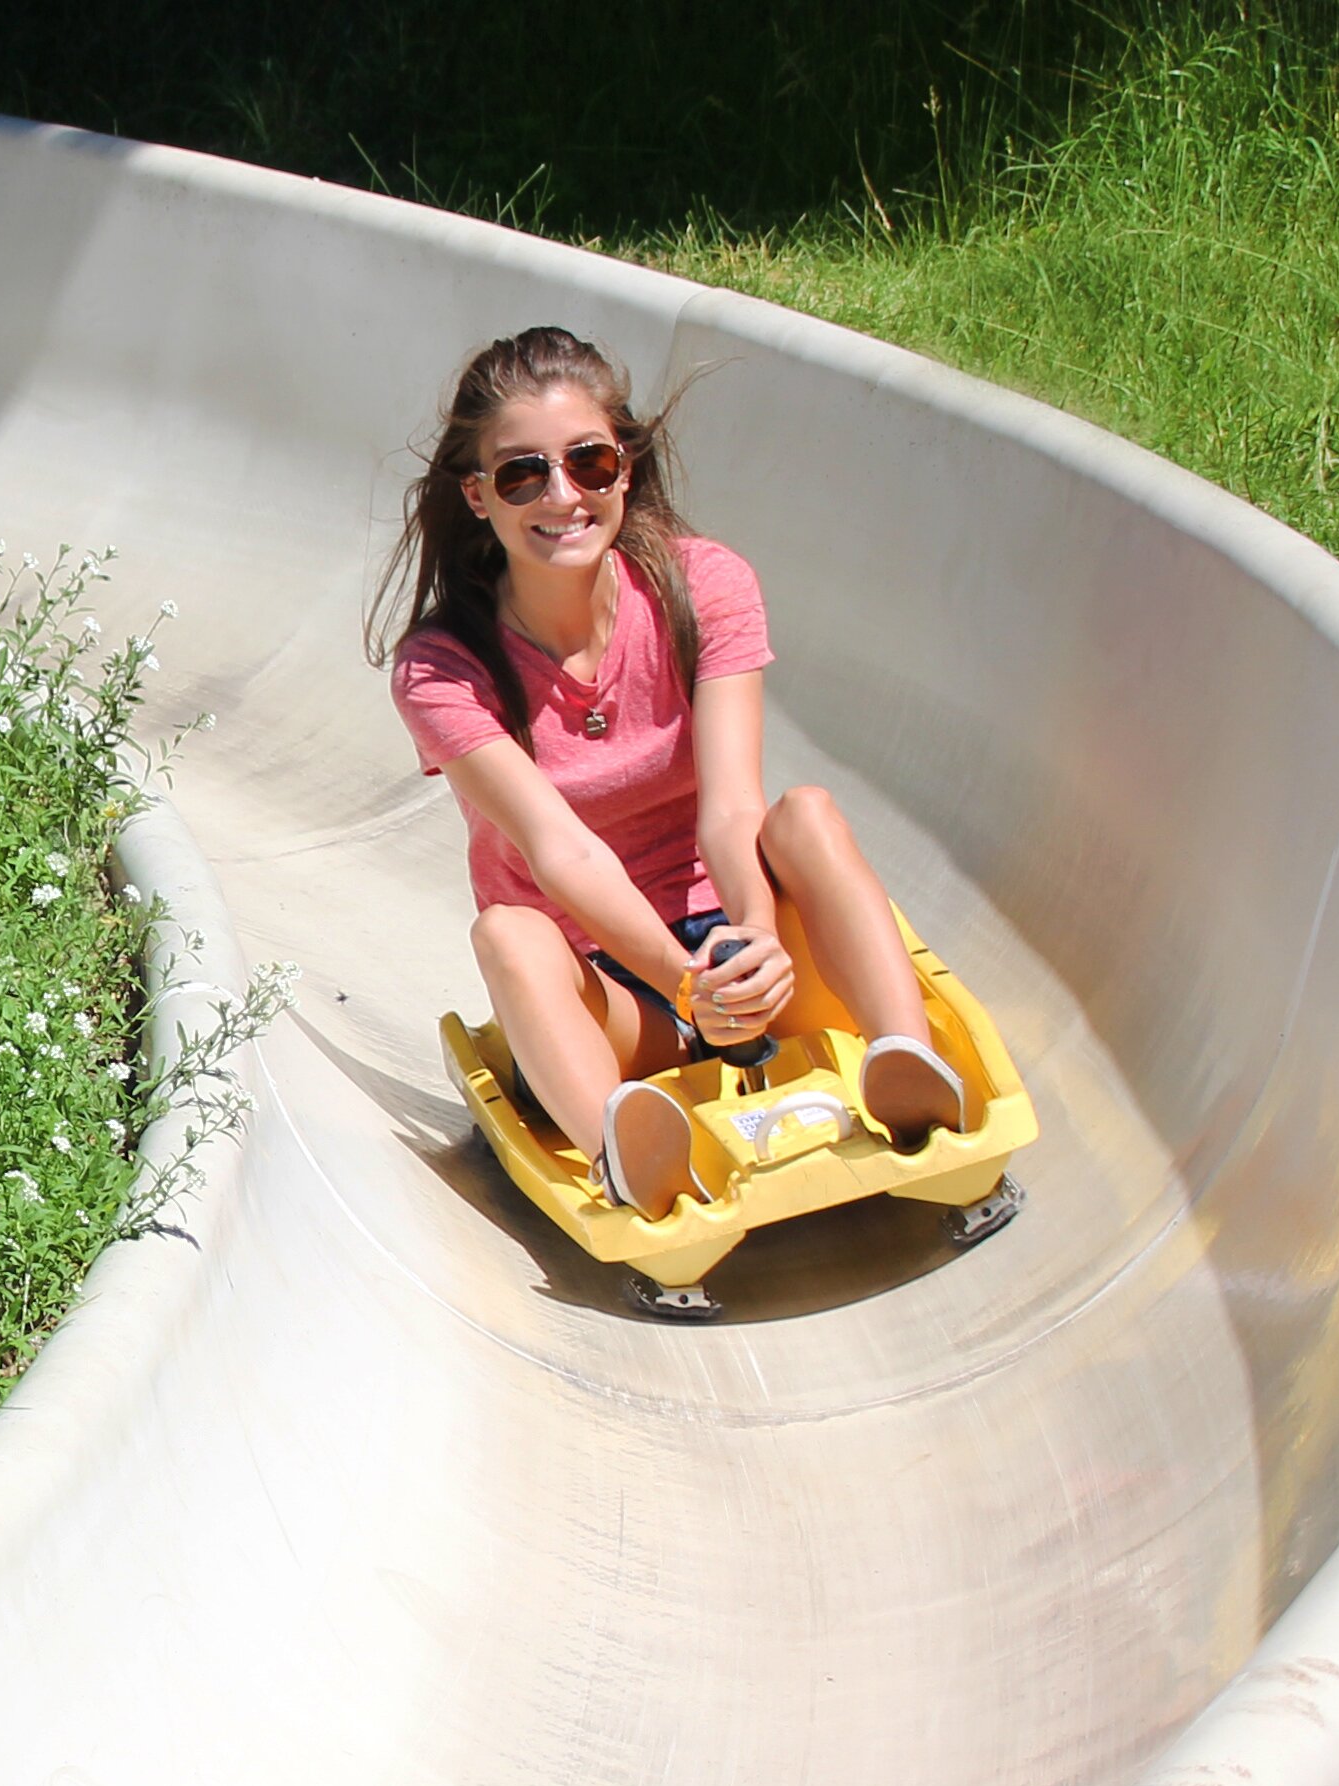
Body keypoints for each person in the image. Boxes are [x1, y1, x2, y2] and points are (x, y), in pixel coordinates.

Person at [377, 326, 977, 1257]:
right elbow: (560, 850)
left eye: (589, 461)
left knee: (806, 815)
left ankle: (907, 1062)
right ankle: (622, 1140)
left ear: (624, 468)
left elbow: (733, 807)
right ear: (479, 496)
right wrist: (687, 989)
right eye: (524, 475)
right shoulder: (444, 670)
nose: (563, 495)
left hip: (728, 947)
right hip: (612, 994)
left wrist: (758, 946)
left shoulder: (704, 585)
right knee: (509, 932)